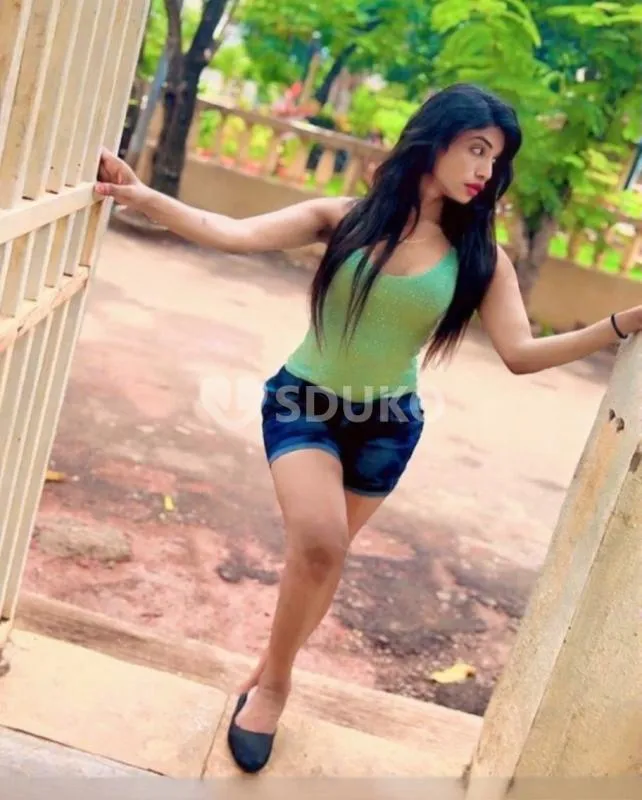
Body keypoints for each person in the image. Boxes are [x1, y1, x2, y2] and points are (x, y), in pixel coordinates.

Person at [95, 83, 642, 774]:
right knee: (320, 540)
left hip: (388, 424)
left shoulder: (480, 257)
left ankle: (267, 669)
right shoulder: (344, 217)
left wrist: (618, 324)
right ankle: (276, 686)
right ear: (435, 141)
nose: (485, 170)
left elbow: (521, 354)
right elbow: (232, 233)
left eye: (495, 160)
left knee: (322, 561)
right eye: (476, 149)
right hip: (303, 403)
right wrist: (143, 196)